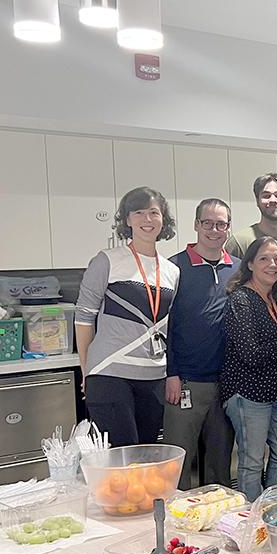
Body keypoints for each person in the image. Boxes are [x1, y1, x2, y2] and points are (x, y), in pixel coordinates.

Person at [76, 187, 180, 447]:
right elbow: (84, 318)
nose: (147, 219)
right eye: (139, 212)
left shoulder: (172, 272)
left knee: (145, 456)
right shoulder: (107, 261)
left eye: (154, 213)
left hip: (154, 376)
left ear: (163, 220)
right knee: (123, 459)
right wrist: (87, 370)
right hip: (110, 373)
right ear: (127, 220)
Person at [163, 199, 239, 490]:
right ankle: (173, 528)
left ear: (228, 228)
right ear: (196, 225)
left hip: (228, 383)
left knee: (220, 465)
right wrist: (171, 373)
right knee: (178, 464)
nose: (214, 230)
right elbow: (164, 326)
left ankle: (218, 524)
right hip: (185, 382)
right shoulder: (174, 268)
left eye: (221, 224)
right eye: (207, 223)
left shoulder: (239, 270)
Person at [220, 236, 277, 501]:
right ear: (250, 264)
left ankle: (267, 508)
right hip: (247, 393)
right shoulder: (241, 299)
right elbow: (250, 354)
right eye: (264, 258)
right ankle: (251, 523)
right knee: (252, 462)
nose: (272, 264)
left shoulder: (275, 299)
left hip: (276, 390)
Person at [225, 173, 277, 278]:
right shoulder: (239, 242)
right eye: (266, 196)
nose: (273, 200)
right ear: (257, 201)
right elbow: (229, 282)